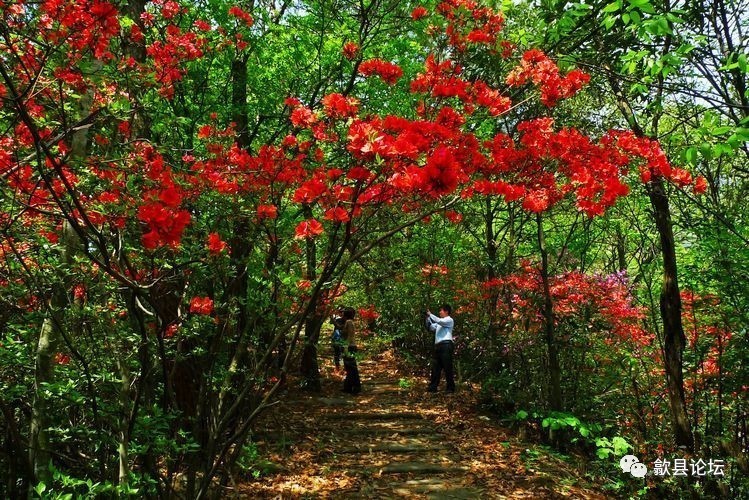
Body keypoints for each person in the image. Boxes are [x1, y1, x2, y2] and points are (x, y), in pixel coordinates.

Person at [425, 304, 455, 393]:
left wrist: (430, 314)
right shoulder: (439, 323)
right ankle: (433, 387)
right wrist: (427, 318)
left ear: (446, 311)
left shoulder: (449, 320)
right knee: (435, 367)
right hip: (438, 346)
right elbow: (431, 327)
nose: (439, 312)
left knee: (447, 367)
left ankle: (450, 388)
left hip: (446, 345)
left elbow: (438, 320)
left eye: (441, 310)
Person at [342, 307, 361, 394]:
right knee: (349, 368)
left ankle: (356, 387)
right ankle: (348, 387)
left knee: (351, 368)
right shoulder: (350, 322)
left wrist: (345, 346)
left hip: (349, 346)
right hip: (351, 346)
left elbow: (349, 335)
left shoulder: (348, 322)